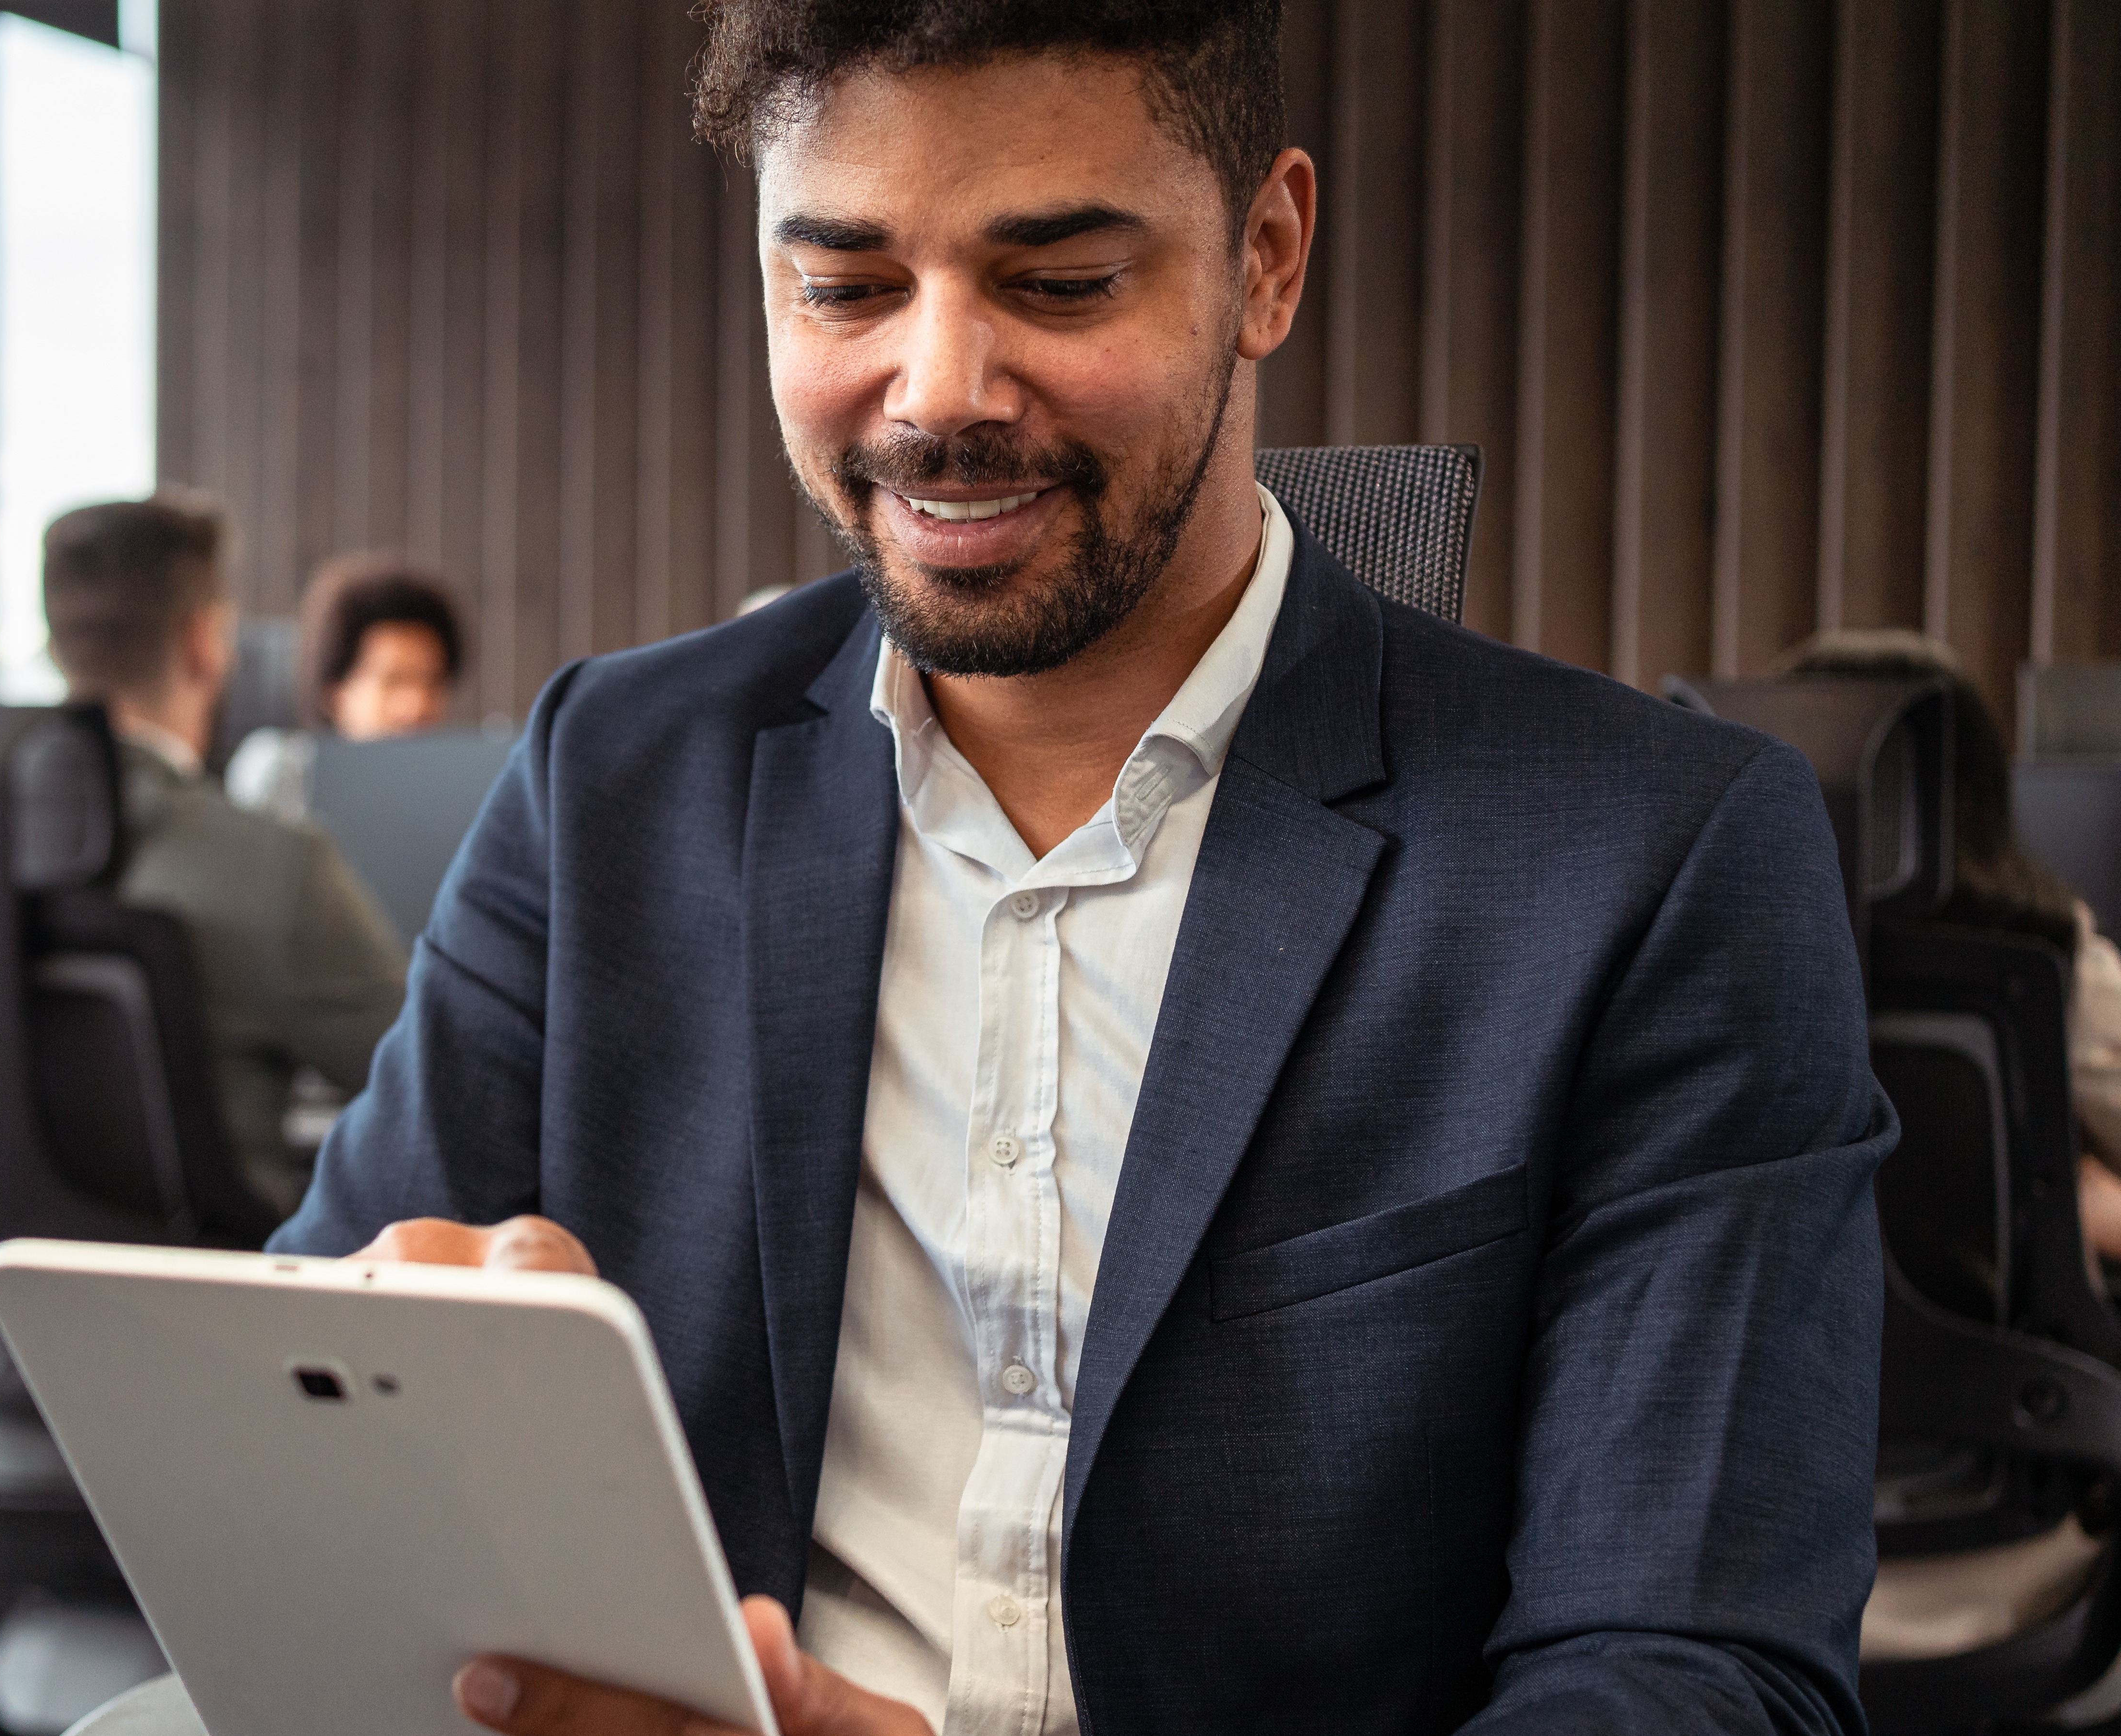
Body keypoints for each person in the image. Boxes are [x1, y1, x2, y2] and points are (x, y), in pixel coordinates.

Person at [275, 5, 1895, 1734]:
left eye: (1053, 284)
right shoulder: (609, 779)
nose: (935, 392)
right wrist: (373, 1409)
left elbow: (1690, 1678)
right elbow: (292, 1393)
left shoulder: (1647, 859)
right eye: (842, 288)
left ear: (1263, 258)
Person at [1780, 631, 2121, 1688]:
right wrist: (2107, 1209)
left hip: (1720, 1560)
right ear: (1976, 801)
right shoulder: (2032, 967)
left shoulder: (1683, 952)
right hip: (1994, 1553)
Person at [0, 494, 411, 1211]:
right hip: (204, 1315)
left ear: (59, 645)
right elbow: (441, 1096)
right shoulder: (275, 869)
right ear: (203, 643)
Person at [227, 554, 471, 819]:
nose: (418, 704)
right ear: (335, 691)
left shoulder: (464, 794)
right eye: (393, 680)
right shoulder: (284, 775)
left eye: (433, 681)